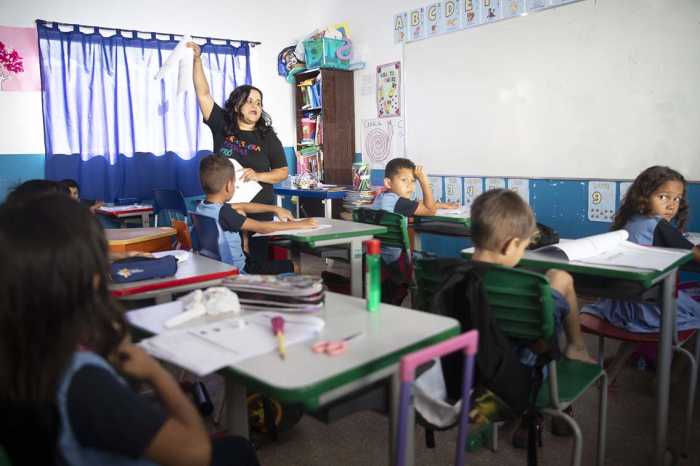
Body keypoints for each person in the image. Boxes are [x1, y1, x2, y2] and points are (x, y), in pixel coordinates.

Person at [0, 194, 260, 466]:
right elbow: (197, 452)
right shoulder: (85, 384)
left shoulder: (16, 357)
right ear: (92, 277)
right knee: (239, 449)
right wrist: (157, 375)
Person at [470, 189, 595, 445]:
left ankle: (499, 414)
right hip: (517, 379)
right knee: (559, 281)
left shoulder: (450, 276)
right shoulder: (524, 287)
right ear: (510, 245)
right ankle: (576, 349)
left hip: (466, 374)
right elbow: (541, 343)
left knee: (551, 289)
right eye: (524, 247)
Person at [582, 166, 700, 381]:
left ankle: (614, 372)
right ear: (644, 197)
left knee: (644, 322)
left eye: (677, 199)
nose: (671, 205)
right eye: (663, 197)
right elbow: (695, 256)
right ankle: (670, 378)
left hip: (620, 305)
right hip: (648, 309)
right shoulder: (658, 226)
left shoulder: (631, 221)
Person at [188, 41, 289, 263]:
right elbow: (203, 94)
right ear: (236, 106)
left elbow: (282, 172)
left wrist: (258, 175)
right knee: (227, 262)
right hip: (227, 210)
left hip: (260, 212)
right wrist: (197, 59)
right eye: (250, 101)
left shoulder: (268, 136)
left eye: (259, 103)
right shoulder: (222, 124)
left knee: (256, 265)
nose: (256, 106)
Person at [196, 153, 316, 274]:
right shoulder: (225, 213)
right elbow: (263, 228)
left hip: (219, 267)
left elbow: (243, 206)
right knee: (293, 266)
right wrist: (300, 224)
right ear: (229, 185)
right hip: (241, 270)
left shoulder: (202, 207)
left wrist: (275, 209)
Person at [368, 157, 457, 303]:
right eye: (404, 180)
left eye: (413, 181)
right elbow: (430, 210)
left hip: (376, 256)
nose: (410, 186)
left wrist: (441, 205)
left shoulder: (381, 198)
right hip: (396, 262)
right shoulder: (399, 202)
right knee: (433, 259)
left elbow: (416, 204)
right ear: (388, 183)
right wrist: (423, 180)